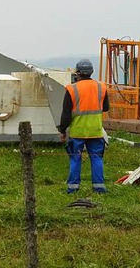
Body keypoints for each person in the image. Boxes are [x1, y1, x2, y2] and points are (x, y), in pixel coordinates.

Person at [58, 59, 110, 194]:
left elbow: (66, 114)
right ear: (92, 72)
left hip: (77, 131)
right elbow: (105, 108)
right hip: (96, 131)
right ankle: (99, 187)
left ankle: (73, 188)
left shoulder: (71, 89)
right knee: (96, 158)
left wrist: (62, 130)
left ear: (78, 73)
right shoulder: (102, 87)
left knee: (75, 158)